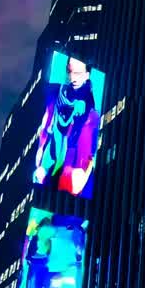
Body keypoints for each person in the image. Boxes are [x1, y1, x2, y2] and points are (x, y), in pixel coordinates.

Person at [34, 57, 100, 196]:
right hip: (53, 153)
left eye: (77, 73)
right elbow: (46, 127)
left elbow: (90, 149)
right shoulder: (57, 92)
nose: (72, 77)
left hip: (72, 166)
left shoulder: (90, 109)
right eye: (70, 71)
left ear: (87, 75)